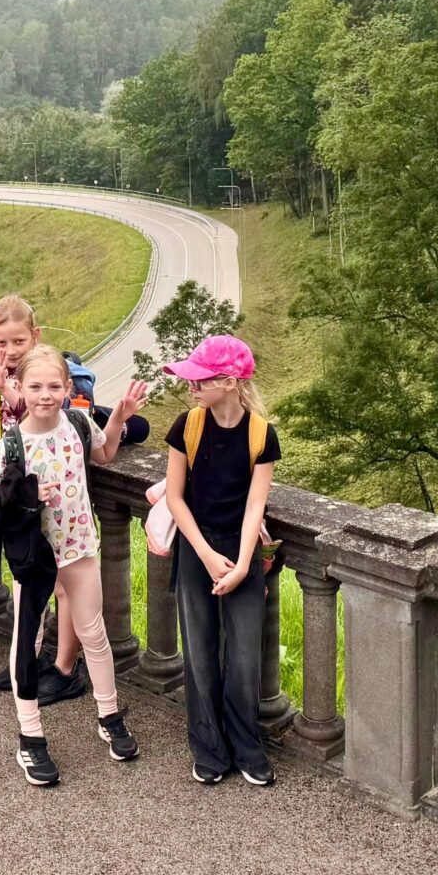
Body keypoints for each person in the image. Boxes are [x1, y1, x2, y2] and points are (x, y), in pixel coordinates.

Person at [0, 343, 148, 786]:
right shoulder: (10, 445)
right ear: (19, 388)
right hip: (36, 560)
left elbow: (105, 454)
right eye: (35, 386)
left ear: (67, 387)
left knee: (94, 631)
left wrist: (120, 415)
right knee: (28, 638)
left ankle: (109, 716)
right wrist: (21, 497)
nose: (45, 395)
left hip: (79, 547)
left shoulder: (78, 422)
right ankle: (30, 737)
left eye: (54, 386)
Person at [161, 334, 280, 787]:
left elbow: (256, 506)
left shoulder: (260, 434)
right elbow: (175, 497)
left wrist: (243, 563)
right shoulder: (186, 426)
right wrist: (208, 556)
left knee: (246, 654)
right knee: (200, 651)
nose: (192, 388)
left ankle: (248, 746)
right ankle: (209, 747)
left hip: (242, 549)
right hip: (197, 548)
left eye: (201, 380)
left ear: (230, 382)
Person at [0, 294, 88, 707]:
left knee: (63, 587)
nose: (9, 351)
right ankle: (33, 657)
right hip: (24, 507)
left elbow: (42, 413)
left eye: (18, 342)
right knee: (32, 583)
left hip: (59, 506)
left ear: (36, 337)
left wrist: (6, 390)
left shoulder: (39, 381)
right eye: (1, 343)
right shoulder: (5, 380)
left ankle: (65, 667)